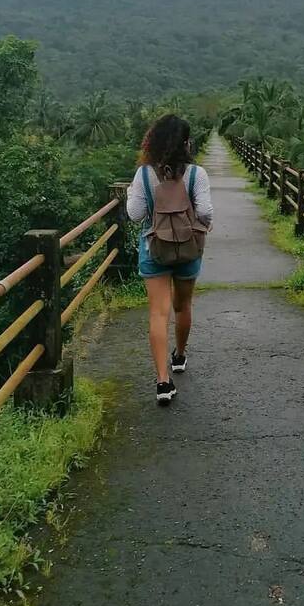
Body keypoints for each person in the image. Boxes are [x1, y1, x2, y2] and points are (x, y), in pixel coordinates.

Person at [127, 114, 213, 404]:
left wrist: (133, 194)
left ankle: (163, 382)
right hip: (188, 248)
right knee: (183, 305)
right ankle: (179, 356)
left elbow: (135, 214)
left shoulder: (143, 175)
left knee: (158, 313)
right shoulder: (196, 174)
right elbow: (206, 212)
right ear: (186, 143)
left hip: (154, 249)